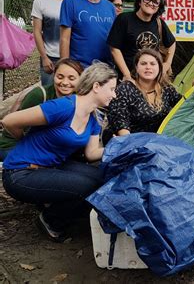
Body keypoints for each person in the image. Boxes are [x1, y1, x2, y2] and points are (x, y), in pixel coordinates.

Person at [1, 62, 117, 242]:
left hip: (51, 167)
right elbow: (9, 121)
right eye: (111, 89)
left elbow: (92, 153)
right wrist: (25, 143)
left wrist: (118, 147)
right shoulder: (63, 107)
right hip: (21, 172)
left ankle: (57, 206)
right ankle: (51, 221)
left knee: (104, 178)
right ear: (96, 87)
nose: (114, 94)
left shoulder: (93, 117)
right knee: (89, 187)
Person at [0, 58, 84, 161]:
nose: (65, 82)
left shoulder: (79, 98)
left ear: (80, 79)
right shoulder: (39, 95)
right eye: (60, 77)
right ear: (54, 76)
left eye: (71, 78)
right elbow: (12, 123)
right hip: (14, 145)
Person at [104, 49, 181, 142]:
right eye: (143, 64)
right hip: (132, 142)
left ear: (159, 68)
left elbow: (184, 107)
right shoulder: (125, 89)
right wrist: (132, 145)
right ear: (136, 67)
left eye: (153, 64)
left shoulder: (166, 88)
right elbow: (120, 124)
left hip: (161, 142)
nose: (148, 67)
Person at [107, 0, 176, 81]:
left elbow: (172, 43)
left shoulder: (159, 23)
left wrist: (167, 64)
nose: (151, 3)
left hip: (152, 79)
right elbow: (114, 48)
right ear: (140, 1)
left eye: (155, 2)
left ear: (158, 7)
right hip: (130, 79)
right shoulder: (124, 19)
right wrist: (127, 75)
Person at [59, 0, 115, 67]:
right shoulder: (70, 2)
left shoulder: (110, 7)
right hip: (80, 68)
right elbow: (64, 39)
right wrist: (65, 67)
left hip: (106, 70)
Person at [32, 0, 69, 86]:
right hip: (50, 57)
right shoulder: (40, 2)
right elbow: (37, 32)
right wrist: (44, 57)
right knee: (48, 93)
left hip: (71, 56)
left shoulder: (73, 3)